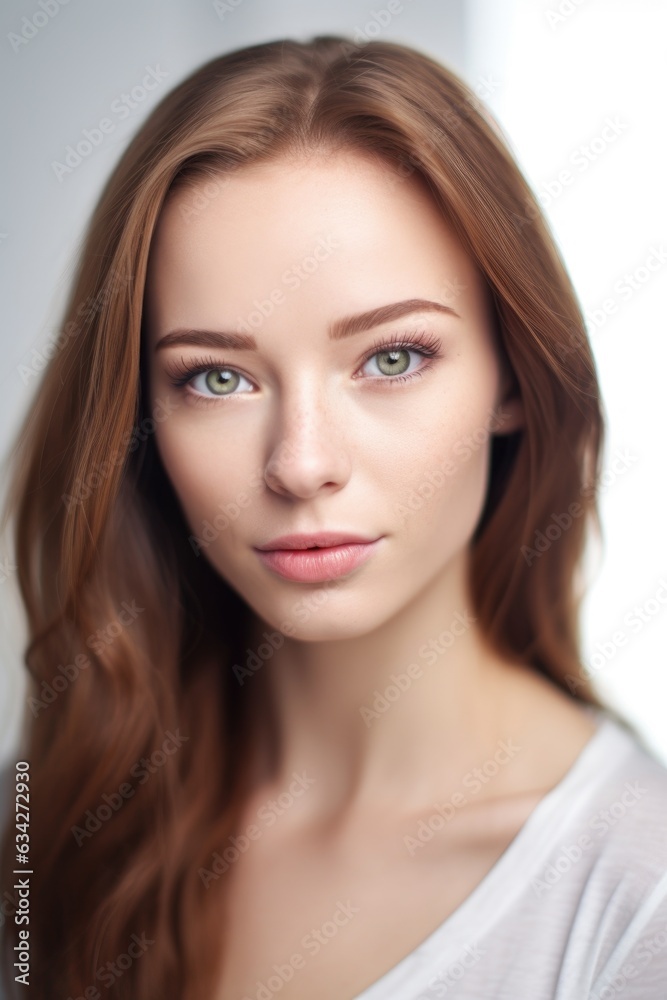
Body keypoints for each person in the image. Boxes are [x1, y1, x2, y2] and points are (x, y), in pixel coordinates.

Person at [1, 34, 666, 1000]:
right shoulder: (46, 831)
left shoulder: (634, 901)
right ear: (140, 418)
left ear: (514, 375)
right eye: (217, 377)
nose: (302, 463)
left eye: (391, 359)